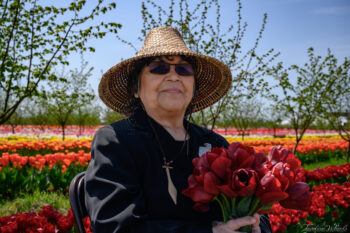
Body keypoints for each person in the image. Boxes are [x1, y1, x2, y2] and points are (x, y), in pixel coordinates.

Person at [85, 26, 272, 233]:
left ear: (193, 87)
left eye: (184, 70)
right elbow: (115, 226)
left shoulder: (215, 145)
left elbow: (257, 212)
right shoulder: (117, 141)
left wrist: (254, 226)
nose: (174, 76)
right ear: (136, 89)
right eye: (159, 68)